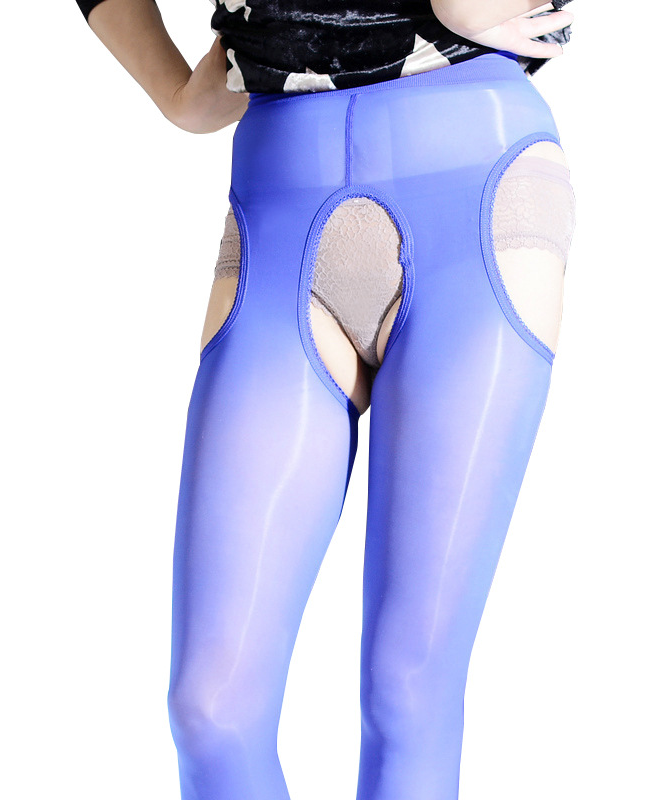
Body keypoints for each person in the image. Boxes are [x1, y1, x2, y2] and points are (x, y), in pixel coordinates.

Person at [75, 1, 577, 798]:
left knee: (409, 691)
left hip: (472, 175)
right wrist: (174, 91)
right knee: (211, 709)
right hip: (277, 195)